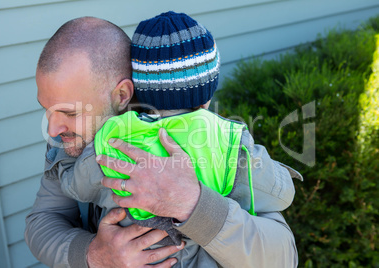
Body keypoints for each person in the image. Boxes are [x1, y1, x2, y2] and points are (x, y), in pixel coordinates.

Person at [25, 14, 300, 268]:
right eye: (46, 109)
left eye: (69, 112)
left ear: (122, 95)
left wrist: (195, 204)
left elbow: (283, 256)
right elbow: (42, 221)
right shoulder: (68, 138)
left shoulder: (213, 144)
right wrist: (93, 255)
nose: (51, 128)